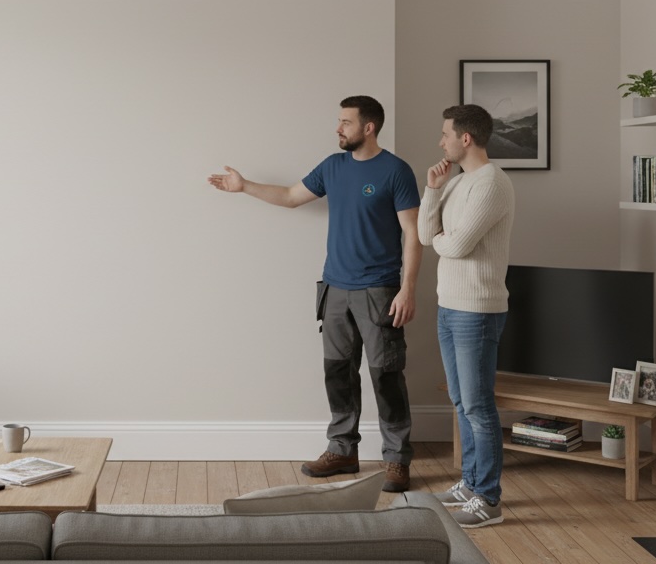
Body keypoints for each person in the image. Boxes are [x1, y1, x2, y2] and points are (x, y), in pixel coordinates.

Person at [208, 96, 422, 492]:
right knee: (337, 374)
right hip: (335, 287)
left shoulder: (396, 171)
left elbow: (413, 233)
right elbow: (291, 197)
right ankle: (342, 449)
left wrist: (408, 288)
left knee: (386, 375)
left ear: (369, 127)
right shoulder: (333, 166)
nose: (338, 128)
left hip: (379, 289)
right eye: (339, 122)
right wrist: (244, 187)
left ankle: (396, 459)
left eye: (345, 122)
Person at [419, 104, 515, 528]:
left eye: (445, 134)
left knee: (479, 406)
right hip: (449, 306)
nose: (440, 142)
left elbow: (456, 247)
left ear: (466, 138)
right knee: (462, 402)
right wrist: (433, 190)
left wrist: (443, 237)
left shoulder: (492, 184)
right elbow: (426, 236)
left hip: (476, 311)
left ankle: (489, 500)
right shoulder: (457, 182)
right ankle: (471, 484)